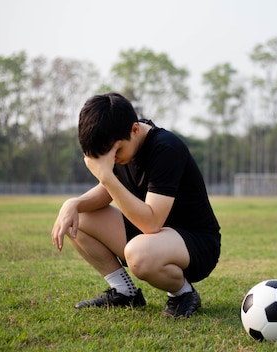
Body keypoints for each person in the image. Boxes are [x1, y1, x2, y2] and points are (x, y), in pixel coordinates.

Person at [51, 92, 221, 318]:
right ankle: (124, 292)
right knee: (77, 217)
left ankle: (183, 294)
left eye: (116, 154)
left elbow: (151, 223)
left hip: (195, 243)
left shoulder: (166, 148)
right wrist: (73, 203)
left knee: (139, 253)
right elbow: (107, 192)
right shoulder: (121, 143)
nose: (112, 162)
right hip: (153, 237)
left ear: (134, 129)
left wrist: (107, 176)